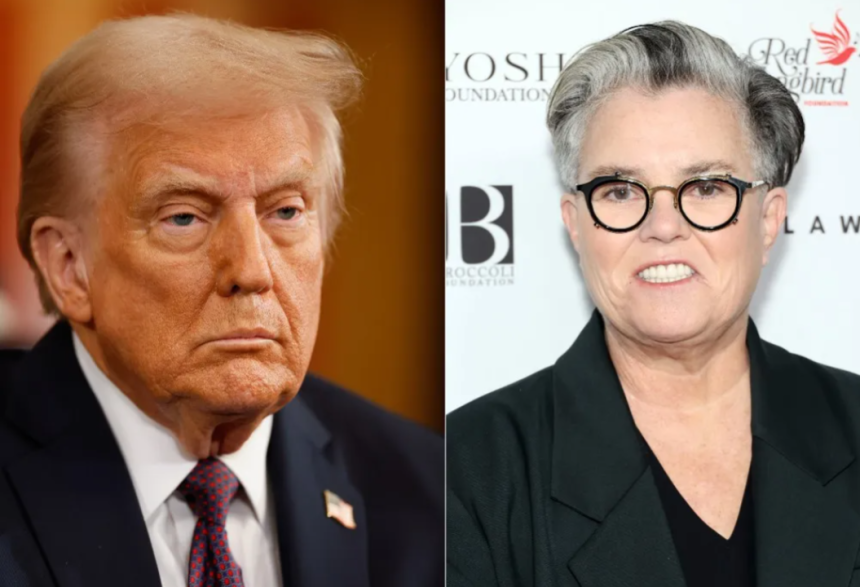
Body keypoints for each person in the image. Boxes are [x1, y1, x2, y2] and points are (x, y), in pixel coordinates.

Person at [0, 14, 442, 587]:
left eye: (286, 211)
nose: (252, 271)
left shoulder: (427, 492)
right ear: (69, 267)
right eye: (183, 217)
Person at [447, 21, 860, 587]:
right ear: (576, 225)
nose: (663, 227)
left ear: (768, 220)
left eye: (707, 187)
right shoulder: (465, 471)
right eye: (619, 191)